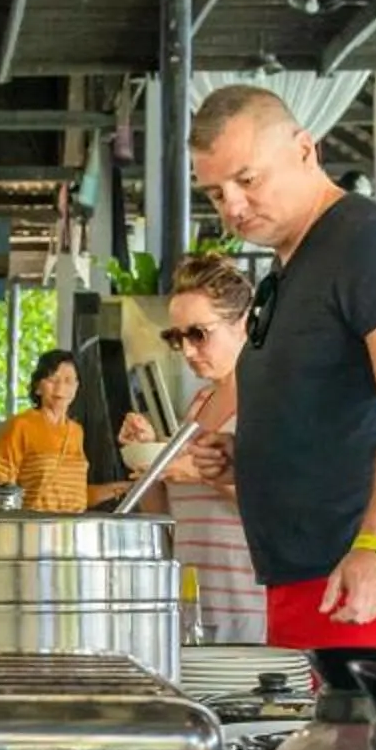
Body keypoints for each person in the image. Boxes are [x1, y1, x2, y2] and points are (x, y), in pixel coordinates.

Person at [185, 85, 376, 652]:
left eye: (248, 180)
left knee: (353, 740)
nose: (233, 207)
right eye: (216, 193)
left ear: (305, 150)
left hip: (367, 566)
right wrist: (251, 460)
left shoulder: (373, 241)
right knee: (308, 741)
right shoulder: (291, 268)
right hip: (306, 569)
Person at [117, 253, 263, 643]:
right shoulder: (199, 406)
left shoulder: (267, 402)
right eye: (176, 338)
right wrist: (151, 461)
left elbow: (284, 504)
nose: (187, 350)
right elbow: (168, 516)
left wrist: (198, 472)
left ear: (243, 325)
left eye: (199, 334)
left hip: (251, 602)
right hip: (193, 601)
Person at [0, 349, 127, 513]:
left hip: (71, 530)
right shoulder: (20, 425)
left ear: (76, 387)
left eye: (68, 381)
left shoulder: (77, 432)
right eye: (52, 379)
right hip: (34, 530)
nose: (60, 387)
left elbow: (76, 495)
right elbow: (0, 488)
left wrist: (121, 488)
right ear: (38, 387)